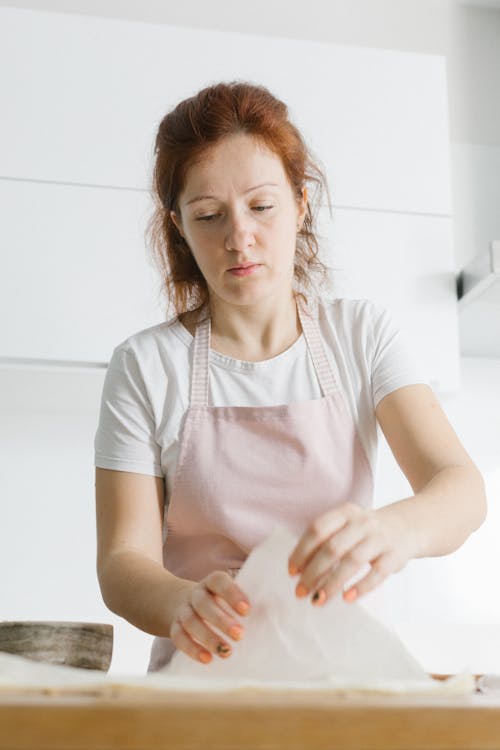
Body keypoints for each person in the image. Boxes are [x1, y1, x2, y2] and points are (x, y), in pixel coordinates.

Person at [94, 80, 487, 673]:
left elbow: (461, 487)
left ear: (301, 204)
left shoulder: (361, 335)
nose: (238, 237)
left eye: (261, 205)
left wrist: (396, 530)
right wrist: (183, 601)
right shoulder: (145, 366)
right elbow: (123, 560)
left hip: (341, 677)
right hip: (202, 683)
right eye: (208, 215)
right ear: (178, 225)